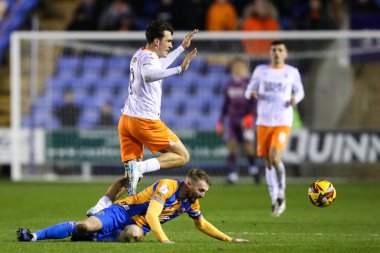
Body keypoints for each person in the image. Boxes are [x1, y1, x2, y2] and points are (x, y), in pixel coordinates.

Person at [87, 20, 199, 215]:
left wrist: (182, 47)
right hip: (144, 121)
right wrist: (180, 69)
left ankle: (100, 206)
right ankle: (140, 167)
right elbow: (149, 74)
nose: (171, 44)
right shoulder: (148, 59)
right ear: (157, 41)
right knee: (183, 156)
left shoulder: (140, 54)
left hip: (127, 121)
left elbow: (159, 65)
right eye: (169, 41)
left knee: (131, 177)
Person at [17, 168, 249, 244]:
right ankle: (34, 236)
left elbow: (202, 224)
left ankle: (92, 239)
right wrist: (165, 240)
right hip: (121, 212)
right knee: (85, 224)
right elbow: (152, 214)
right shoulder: (167, 187)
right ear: (188, 184)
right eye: (201, 190)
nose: (203, 195)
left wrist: (229, 240)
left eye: (205, 192)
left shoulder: (191, 201)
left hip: (138, 225)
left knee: (134, 235)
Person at [244, 41, 305, 217]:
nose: (277, 53)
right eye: (274, 50)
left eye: (280, 50)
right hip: (263, 121)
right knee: (268, 161)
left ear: (285, 54)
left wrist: (295, 99)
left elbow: (300, 91)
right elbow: (248, 91)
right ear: (270, 53)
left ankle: (281, 193)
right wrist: (252, 93)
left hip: (283, 120)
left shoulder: (291, 72)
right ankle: (273, 198)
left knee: (275, 157)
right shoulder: (261, 71)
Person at [215, 57, 260, 185]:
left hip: (246, 120)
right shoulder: (229, 84)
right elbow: (225, 105)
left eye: (240, 66)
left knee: (248, 146)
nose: (238, 68)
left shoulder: (250, 83)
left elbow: (254, 102)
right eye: (236, 66)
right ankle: (232, 174)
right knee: (231, 146)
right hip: (232, 120)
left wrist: (251, 116)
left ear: (245, 68)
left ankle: (253, 169)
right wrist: (220, 121)